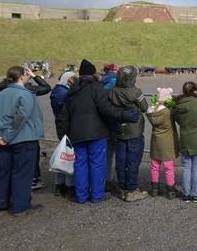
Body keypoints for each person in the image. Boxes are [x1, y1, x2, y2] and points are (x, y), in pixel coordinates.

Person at [56, 59, 139, 204]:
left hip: (76, 134)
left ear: (81, 75)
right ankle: (97, 195)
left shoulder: (72, 90)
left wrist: (62, 135)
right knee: (97, 164)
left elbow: (64, 115)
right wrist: (125, 115)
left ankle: (81, 196)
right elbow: (106, 109)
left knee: (80, 164)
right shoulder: (96, 87)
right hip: (96, 133)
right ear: (92, 74)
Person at [0, 66, 45, 216]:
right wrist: (7, 136)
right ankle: (21, 206)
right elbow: (21, 117)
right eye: (25, 75)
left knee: (3, 171)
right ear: (21, 77)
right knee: (22, 173)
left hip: (2, 139)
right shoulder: (26, 94)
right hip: (23, 139)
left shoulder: (1, 94)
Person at [0, 66, 51, 191]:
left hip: (3, 130)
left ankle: (2, 195)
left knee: (4, 164)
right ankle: (32, 181)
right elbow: (46, 88)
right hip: (25, 132)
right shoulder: (28, 88)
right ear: (22, 77)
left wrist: (9, 78)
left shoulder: (4, 88)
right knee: (27, 161)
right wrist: (34, 76)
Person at [108, 65, 149, 202]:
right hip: (134, 129)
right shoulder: (136, 92)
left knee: (121, 160)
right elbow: (145, 107)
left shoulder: (112, 91)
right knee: (133, 160)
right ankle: (131, 189)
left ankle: (123, 187)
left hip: (120, 128)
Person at [174, 81, 197, 203]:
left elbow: (177, 120)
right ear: (195, 91)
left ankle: (186, 194)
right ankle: (195, 194)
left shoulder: (177, 106)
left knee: (186, 167)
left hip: (185, 138)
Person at [145, 88, 180, 199]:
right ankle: (170, 189)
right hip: (168, 141)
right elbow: (179, 118)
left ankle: (155, 188)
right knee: (168, 167)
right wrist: (174, 106)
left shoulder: (152, 111)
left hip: (156, 140)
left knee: (155, 166)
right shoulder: (170, 112)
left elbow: (150, 110)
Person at [49, 71, 77, 198]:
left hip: (60, 126)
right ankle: (70, 185)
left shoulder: (56, 91)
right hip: (68, 126)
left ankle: (59, 185)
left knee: (62, 154)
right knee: (69, 157)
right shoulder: (66, 93)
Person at [101, 62, 119, 192]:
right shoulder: (117, 83)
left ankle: (106, 178)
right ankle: (118, 180)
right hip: (116, 122)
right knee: (120, 153)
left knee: (106, 154)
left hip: (102, 123)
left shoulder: (99, 82)